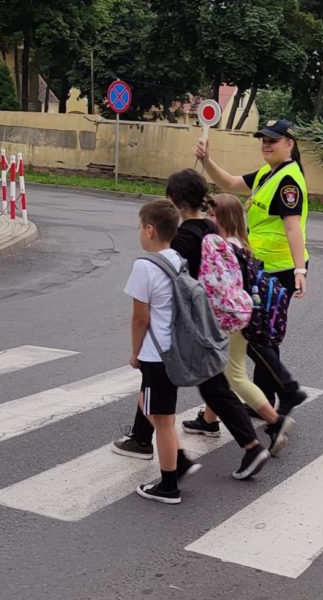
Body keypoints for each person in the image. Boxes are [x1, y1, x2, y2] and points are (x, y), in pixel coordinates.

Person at [113, 169, 270, 481]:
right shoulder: (211, 227)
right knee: (210, 386)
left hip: (183, 327)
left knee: (172, 388)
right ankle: (147, 440)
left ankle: (173, 454)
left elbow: (164, 288)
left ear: (174, 200)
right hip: (208, 318)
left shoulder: (182, 239)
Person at [187, 118, 308, 426]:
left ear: (289, 143)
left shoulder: (288, 181)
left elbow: (292, 227)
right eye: (263, 140)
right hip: (259, 265)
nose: (266, 145)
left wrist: (299, 269)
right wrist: (206, 160)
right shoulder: (269, 173)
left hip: (278, 268)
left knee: (253, 334)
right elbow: (230, 183)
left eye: (273, 140)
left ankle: (283, 391)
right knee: (255, 334)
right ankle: (266, 398)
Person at [203, 192, 295, 454]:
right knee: (218, 373)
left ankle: (276, 422)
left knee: (235, 376)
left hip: (231, 320)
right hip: (241, 317)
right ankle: (208, 420)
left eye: (212, 215)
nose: (207, 219)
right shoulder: (240, 244)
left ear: (224, 218)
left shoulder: (226, 248)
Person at [123, 198, 200, 505]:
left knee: (164, 421)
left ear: (150, 230)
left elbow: (140, 318)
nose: (139, 233)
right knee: (148, 402)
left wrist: (135, 352)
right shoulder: (178, 260)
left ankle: (169, 485)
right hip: (175, 349)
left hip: (157, 355)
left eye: (140, 227)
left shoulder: (144, 266)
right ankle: (179, 461)